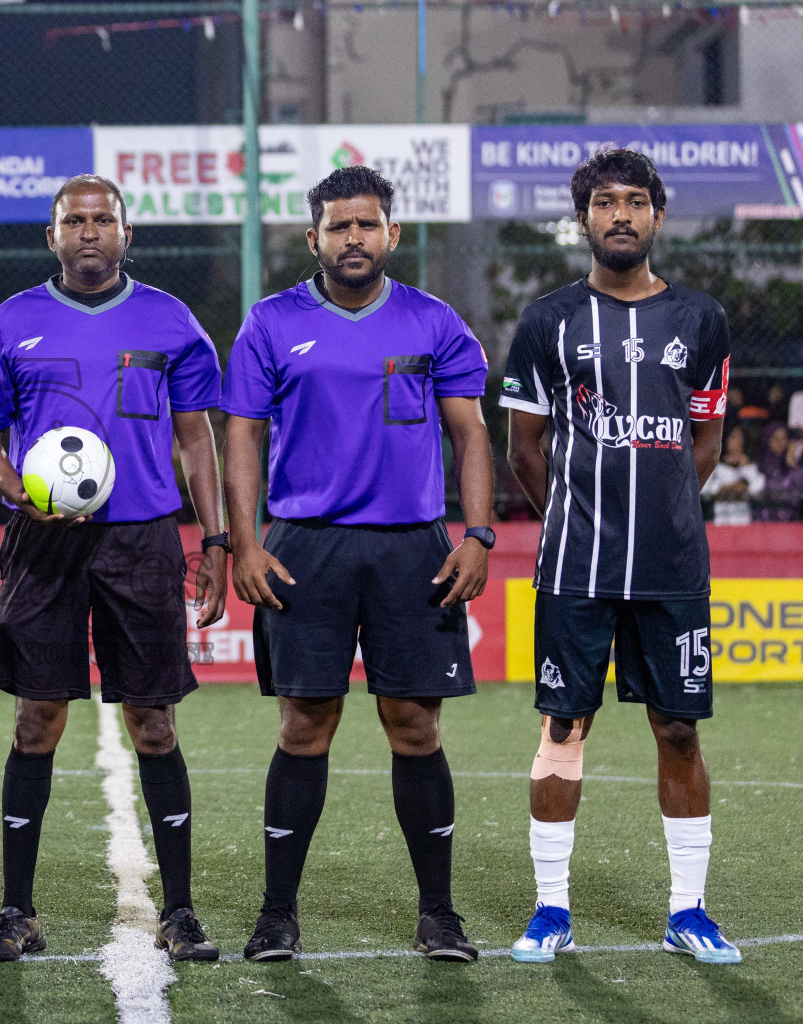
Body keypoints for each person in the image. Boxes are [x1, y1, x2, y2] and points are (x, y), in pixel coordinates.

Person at [222, 165, 494, 964]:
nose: (353, 239)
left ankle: (439, 914)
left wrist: (476, 534)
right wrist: (245, 541)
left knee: (415, 725)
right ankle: (277, 914)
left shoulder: (435, 322)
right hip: (306, 545)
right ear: (313, 239)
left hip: (414, 547)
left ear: (391, 234)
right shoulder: (270, 323)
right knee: (306, 725)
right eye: (338, 227)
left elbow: (471, 433)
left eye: (367, 225)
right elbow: (242, 435)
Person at [0, 174, 228, 963]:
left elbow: (198, 438)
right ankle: (16, 911)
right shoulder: (13, 321)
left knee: (153, 723)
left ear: (125, 232)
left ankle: (178, 912)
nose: (88, 232)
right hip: (44, 543)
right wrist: (15, 491)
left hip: (142, 540)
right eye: (73, 220)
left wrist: (215, 540)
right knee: (36, 720)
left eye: (102, 219)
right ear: (52, 236)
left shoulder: (170, 320)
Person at [499, 148, 739, 964]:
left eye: (636, 201)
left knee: (678, 730)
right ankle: (550, 911)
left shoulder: (701, 320)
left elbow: (705, 438)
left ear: (657, 217)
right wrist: (577, 516)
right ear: (585, 220)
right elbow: (525, 451)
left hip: (674, 568)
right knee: (564, 724)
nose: (622, 215)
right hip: (576, 567)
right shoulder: (547, 320)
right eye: (606, 202)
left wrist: (664, 509)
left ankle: (689, 911)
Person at [700, 425, 763, 525]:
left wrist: (746, 466)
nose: (739, 442)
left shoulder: (749, 465)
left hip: (743, 521)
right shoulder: (716, 465)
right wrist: (726, 488)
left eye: (741, 438)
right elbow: (704, 488)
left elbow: (757, 488)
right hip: (720, 520)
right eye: (734, 437)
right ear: (726, 439)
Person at [757, 422, 803, 522]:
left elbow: (802, 489)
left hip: (792, 522)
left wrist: (793, 465)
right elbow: (772, 489)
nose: (781, 443)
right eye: (776, 439)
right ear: (768, 440)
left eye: (784, 439)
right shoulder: (760, 465)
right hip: (766, 522)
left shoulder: (794, 464)